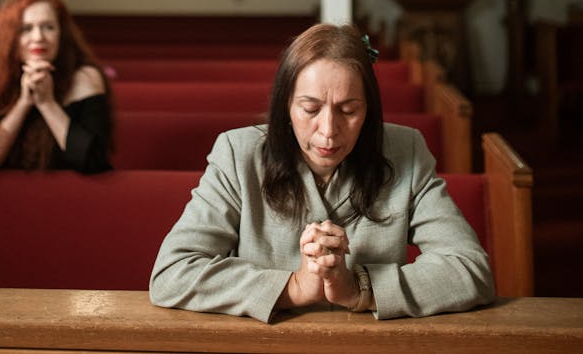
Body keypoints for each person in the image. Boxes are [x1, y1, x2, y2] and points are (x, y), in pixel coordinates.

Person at [150, 23, 494, 322]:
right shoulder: (237, 154)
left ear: (369, 111)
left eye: (349, 110)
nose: (328, 131)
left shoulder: (407, 150)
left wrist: (359, 288)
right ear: (286, 106)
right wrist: (294, 287)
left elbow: (471, 269)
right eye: (310, 109)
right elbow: (172, 273)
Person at [0, 0, 113, 176]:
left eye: (48, 27)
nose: (38, 37)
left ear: (62, 34)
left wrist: (47, 104)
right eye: (26, 29)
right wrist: (23, 103)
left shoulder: (85, 78)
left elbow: (94, 163)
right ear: (10, 38)